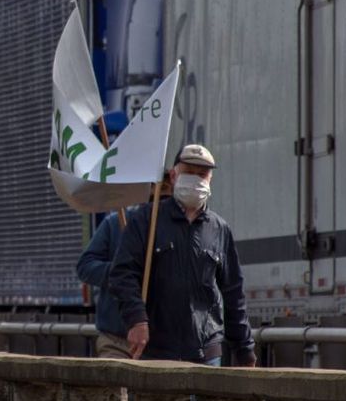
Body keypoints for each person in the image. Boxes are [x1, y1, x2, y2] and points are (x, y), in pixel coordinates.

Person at [109, 144, 255, 366]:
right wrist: (136, 319)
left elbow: (233, 292)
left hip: (207, 353)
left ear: (210, 179)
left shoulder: (219, 229)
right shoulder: (147, 220)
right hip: (157, 351)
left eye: (202, 174)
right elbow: (122, 274)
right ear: (173, 175)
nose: (196, 179)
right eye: (189, 172)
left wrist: (244, 349)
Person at [76, 213, 131, 358]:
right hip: (118, 342)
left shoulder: (184, 226)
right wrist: (120, 271)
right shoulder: (115, 223)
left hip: (167, 345)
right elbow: (85, 266)